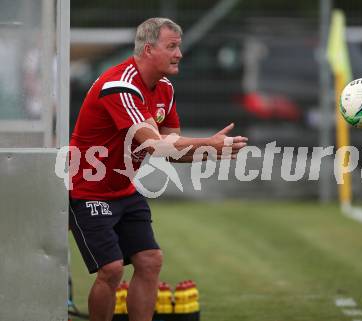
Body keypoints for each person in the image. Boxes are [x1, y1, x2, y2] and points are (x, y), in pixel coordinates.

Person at [69, 17, 248, 321]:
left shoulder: (164, 87)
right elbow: (155, 145)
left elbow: (171, 151)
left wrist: (211, 151)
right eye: (172, 47)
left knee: (150, 260)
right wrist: (209, 143)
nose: (179, 53)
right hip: (86, 189)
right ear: (149, 50)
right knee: (111, 269)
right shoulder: (120, 86)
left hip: (124, 189)